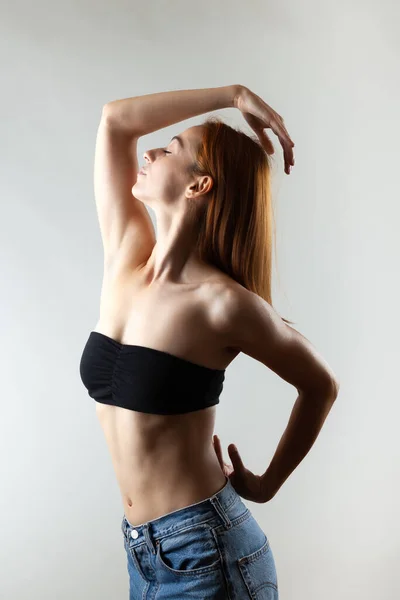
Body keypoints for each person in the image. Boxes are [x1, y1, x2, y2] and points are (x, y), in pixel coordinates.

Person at [79, 85, 340, 599]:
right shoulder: (126, 258)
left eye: (171, 148)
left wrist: (266, 484)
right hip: (144, 552)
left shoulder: (224, 304)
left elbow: (320, 386)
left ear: (199, 185)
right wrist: (232, 95)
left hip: (206, 553)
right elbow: (114, 121)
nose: (150, 152)